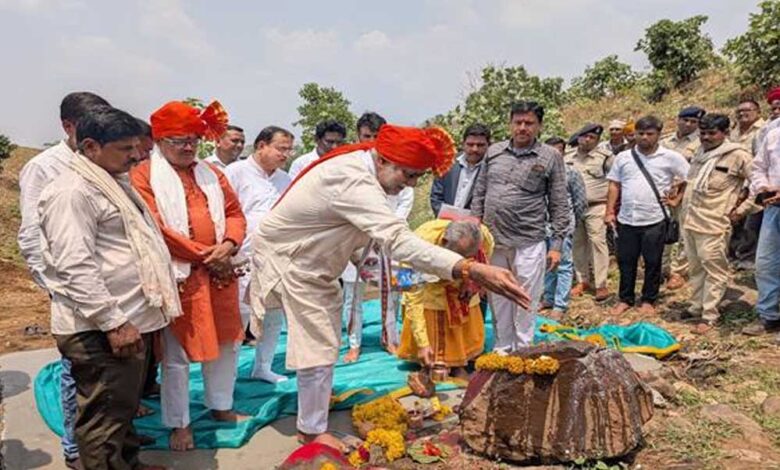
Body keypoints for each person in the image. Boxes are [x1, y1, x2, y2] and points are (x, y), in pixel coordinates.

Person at [248, 124, 529, 450]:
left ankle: (314, 417)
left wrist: (394, 277)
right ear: (383, 160)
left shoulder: (366, 172)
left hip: (316, 256)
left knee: (325, 343)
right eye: (408, 176)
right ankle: (311, 432)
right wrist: (471, 268)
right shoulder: (354, 179)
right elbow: (397, 241)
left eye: (416, 178)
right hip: (294, 260)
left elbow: (367, 242)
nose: (409, 185)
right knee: (319, 347)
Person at [39, 106, 180, 470]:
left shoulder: (111, 181)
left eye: (137, 146)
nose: (136, 155)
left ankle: (128, 464)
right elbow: (74, 265)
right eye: (125, 148)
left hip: (129, 320)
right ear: (90, 147)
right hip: (102, 328)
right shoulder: (72, 192)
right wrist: (114, 322)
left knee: (123, 407)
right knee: (103, 419)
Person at [130, 100, 247, 451]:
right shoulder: (144, 176)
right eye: (179, 140)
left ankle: (221, 405)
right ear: (160, 141)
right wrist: (206, 256)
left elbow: (234, 212)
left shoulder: (213, 173)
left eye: (193, 139)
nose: (188, 147)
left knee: (227, 344)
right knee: (177, 355)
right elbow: (157, 228)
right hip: (181, 276)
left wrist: (228, 244)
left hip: (220, 273)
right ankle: (179, 424)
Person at [17, 91, 109, 470]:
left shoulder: (100, 159)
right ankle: (75, 448)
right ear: (69, 126)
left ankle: (111, 438)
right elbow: (31, 236)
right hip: (72, 291)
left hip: (107, 288)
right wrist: (58, 290)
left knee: (108, 372)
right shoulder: (45, 167)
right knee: (77, 371)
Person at [471, 101, 569, 351]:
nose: (523, 128)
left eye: (529, 123)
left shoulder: (550, 157)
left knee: (525, 297)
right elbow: (480, 193)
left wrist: (556, 245)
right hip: (493, 241)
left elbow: (559, 202)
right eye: (518, 122)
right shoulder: (493, 152)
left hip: (529, 241)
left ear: (539, 126)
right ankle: (502, 348)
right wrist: (475, 233)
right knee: (498, 296)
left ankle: (524, 348)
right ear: (510, 124)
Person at [225, 126, 294, 383]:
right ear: (261, 146)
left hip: (276, 258)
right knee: (239, 315)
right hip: (242, 256)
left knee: (273, 314)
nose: (285, 154)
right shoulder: (235, 173)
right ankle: (226, 376)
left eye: (288, 150)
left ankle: (262, 366)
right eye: (280, 148)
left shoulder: (285, 179)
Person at [605, 116, 690, 316]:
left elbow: (689, 177)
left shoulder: (670, 157)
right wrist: (609, 211)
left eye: (649, 134)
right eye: (640, 133)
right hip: (627, 218)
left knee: (653, 261)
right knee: (626, 261)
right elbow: (614, 184)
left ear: (658, 134)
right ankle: (625, 298)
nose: (644, 137)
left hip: (654, 218)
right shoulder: (623, 157)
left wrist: (677, 199)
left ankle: (648, 299)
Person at [680, 114, 752, 334]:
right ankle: (696, 306)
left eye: (712, 133)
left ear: (725, 133)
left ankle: (710, 314)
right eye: (703, 133)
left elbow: (757, 184)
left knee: (714, 269)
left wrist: (741, 210)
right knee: (695, 267)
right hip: (691, 220)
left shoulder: (737, 155)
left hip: (714, 222)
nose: (706, 137)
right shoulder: (700, 153)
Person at [397, 220, 493, 378]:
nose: (460, 265)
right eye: (457, 261)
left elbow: (488, 252)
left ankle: (459, 364)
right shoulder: (414, 246)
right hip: (429, 291)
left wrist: (473, 282)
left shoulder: (482, 233)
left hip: (463, 290)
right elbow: (411, 296)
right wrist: (423, 344)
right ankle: (431, 362)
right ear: (444, 243)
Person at [743, 110, 780, 339]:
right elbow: (758, 168)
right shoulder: (773, 134)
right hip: (773, 209)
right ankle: (770, 316)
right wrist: (763, 187)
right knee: (766, 263)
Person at [661, 106, 705, 291]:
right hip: (663, 194)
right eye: (685, 120)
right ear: (677, 119)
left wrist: (680, 194)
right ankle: (663, 268)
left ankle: (678, 271)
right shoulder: (664, 141)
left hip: (687, 195)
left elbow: (695, 173)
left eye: (693, 122)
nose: (688, 124)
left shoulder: (701, 143)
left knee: (682, 233)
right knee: (663, 231)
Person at [542, 137, 587, 319]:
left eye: (558, 151)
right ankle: (548, 298)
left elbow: (579, 202)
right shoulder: (540, 173)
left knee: (564, 265)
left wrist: (570, 223)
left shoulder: (571, 173)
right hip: (542, 227)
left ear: (563, 152)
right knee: (547, 264)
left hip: (563, 228)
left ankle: (560, 305)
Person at [567, 123, 613, 301]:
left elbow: (614, 183)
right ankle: (582, 280)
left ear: (597, 140)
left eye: (592, 137)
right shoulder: (568, 157)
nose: (587, 140)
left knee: (597, 242)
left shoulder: (606, 157)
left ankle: (601, 284)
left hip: (597, 205)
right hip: (574, 208)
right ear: (578, 137)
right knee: (578, 244)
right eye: (584, 136)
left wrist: (610, 209)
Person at [728, 99, 767, 270]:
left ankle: (747, 258)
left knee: (752, 219)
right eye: (739, 111)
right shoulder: (733, 131)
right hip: (732, 181)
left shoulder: (764, 130)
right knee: (733, 218)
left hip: (753, 180)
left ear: (758, 112)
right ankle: (734, 254)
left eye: (747, 110)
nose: (743, 113)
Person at [429, 123, 490, 216]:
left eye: (480, 145)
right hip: (444, 223)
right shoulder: (447, 163)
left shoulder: (491, 169)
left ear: (488, 145)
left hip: (473, 226)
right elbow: (436, 197)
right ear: (463, 144)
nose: (474, 149)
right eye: (470, 144)